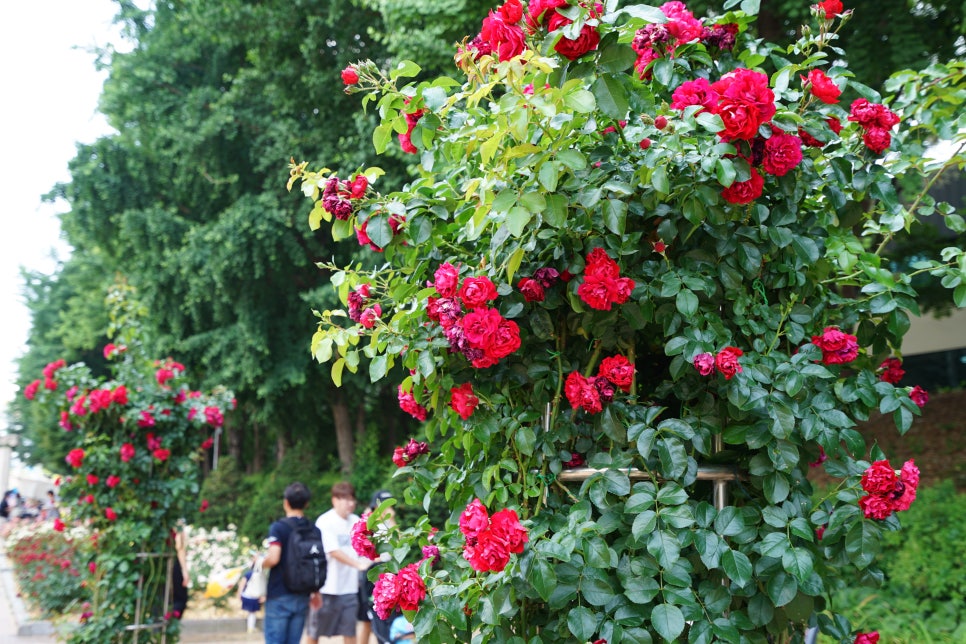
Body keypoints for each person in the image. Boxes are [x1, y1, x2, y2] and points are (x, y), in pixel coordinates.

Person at [305, 481, 370, 644]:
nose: (350, 503)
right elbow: (333, 551)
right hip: (327, 588)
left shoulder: (356, 520)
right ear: (334, 500)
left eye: (352, 499)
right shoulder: (325, 521)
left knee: (349, 631)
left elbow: (364, 548)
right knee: (315, 631)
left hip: (349, 588)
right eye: (345, 499)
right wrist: (358, 565)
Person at [261, 481, 320, 644]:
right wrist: (316, 592)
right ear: (307, 503)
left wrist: (259, 562)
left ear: (285, 502)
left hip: (279, 593)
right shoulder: (314, 529)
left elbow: (273, 558)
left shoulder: (278, 528)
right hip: (303, 594)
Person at [358, 490, 396, 644]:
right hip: (373, 574)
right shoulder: (370, 525)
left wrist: (392, 520)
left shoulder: (387, 523)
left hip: (388, 573)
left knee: (384, 620)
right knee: (372, 618)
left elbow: (398, 548)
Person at [238, 554, 265, 633]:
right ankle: (251, 627)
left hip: (247, 596)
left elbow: (242, 584)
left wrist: (239, 594)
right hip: (255, 597)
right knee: (252, 613)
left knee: (251, 613)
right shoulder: (261, 574)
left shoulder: (248, 573)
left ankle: (251, 627)